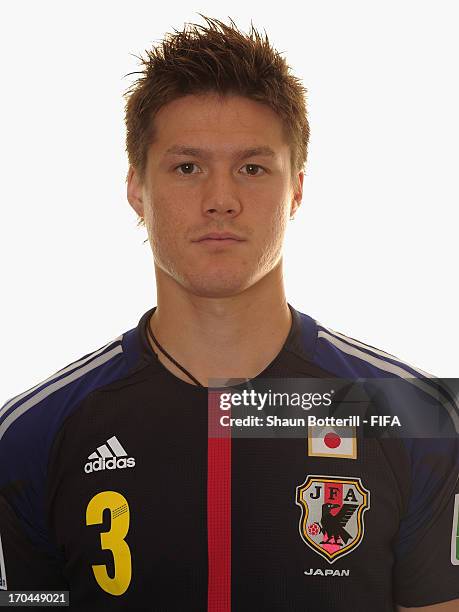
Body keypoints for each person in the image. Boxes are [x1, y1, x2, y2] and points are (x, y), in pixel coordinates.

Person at [0, 14, 458, 612]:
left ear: (296, 187)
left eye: (252, 167)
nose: (221, 200)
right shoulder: (33, 434)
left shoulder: (417, 417)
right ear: (137, 187)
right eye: (187, 167)